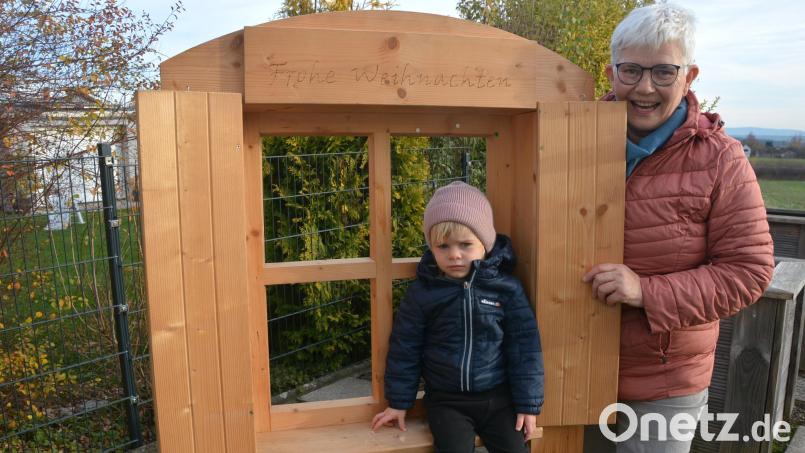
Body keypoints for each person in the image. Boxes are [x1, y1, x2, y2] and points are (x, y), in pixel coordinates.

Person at [582, 3, 775, 452]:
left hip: (661, 385)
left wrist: (646, 292)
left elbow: (749, 272)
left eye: (664, 72)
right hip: (570, 364)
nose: (645, 87)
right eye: (631, 70)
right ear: (611, 71)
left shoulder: (721, 160)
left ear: (690, 76)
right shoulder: (571, 139)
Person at [371, 181, 544, 453]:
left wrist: (528, 404)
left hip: (499, 398)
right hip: (446, 401)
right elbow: (405, 348)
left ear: (485, 243)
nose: (454, 255)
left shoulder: (507, 289)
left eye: (466, 244)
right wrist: (398, 402)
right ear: (431, 247)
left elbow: (525, 349)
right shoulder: (423, 293)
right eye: (442, 246)